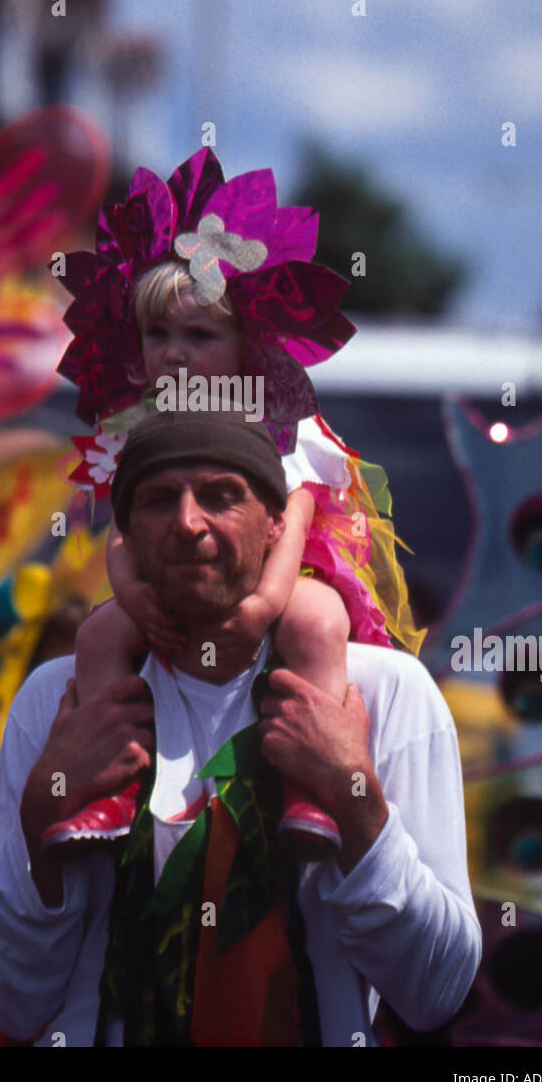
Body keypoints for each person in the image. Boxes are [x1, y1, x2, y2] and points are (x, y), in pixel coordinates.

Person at [0, 412, 481, 1047]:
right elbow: (5, 1001)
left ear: (278, 525)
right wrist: (43, 821)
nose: (187, 522)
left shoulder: (383, 693)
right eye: (156, 500)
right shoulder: (59, 700)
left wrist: (354, 797)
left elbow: (436, 991)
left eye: (221, 495)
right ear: (123, 534)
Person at [47, 147, 424, 855]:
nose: (175, 354)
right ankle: (107, 791)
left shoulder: (278, 418)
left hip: (288, 572)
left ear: (245, 340)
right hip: (175, 585)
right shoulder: (138, 423)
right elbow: (125, 532)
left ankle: (312, 792)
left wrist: (261, 604)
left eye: (199, 335)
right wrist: (129, 596)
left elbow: (300, 516)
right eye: (157, 335)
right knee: (98, 635)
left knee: (314, 624)